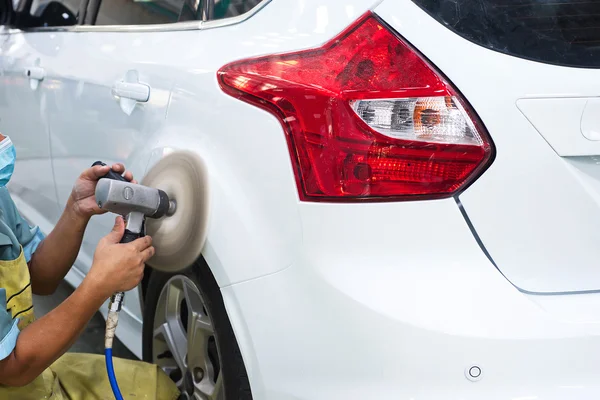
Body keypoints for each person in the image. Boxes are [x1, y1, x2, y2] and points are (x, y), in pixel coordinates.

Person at [0, 134, 180, 399]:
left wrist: (77, 209)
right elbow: (12, 368)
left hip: (32, 377)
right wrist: (98, 285)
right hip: (16, 377)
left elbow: (39, 276)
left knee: (156, 387)